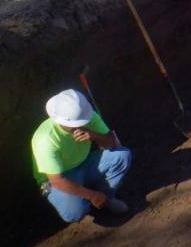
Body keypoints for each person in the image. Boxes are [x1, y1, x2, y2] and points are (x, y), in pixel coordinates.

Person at [31, 89, 132, 223]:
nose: (81, 124)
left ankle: (106, 198)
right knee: (74, 213)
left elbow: (112, 143)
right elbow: (57, 180)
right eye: (75, 123)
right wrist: (92, 195)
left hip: (84, 163)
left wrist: (93, 135)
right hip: (59, 178)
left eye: (82, 121)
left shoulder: (88, 116)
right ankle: (92, 199)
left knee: (121, 156)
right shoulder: (45, 139)